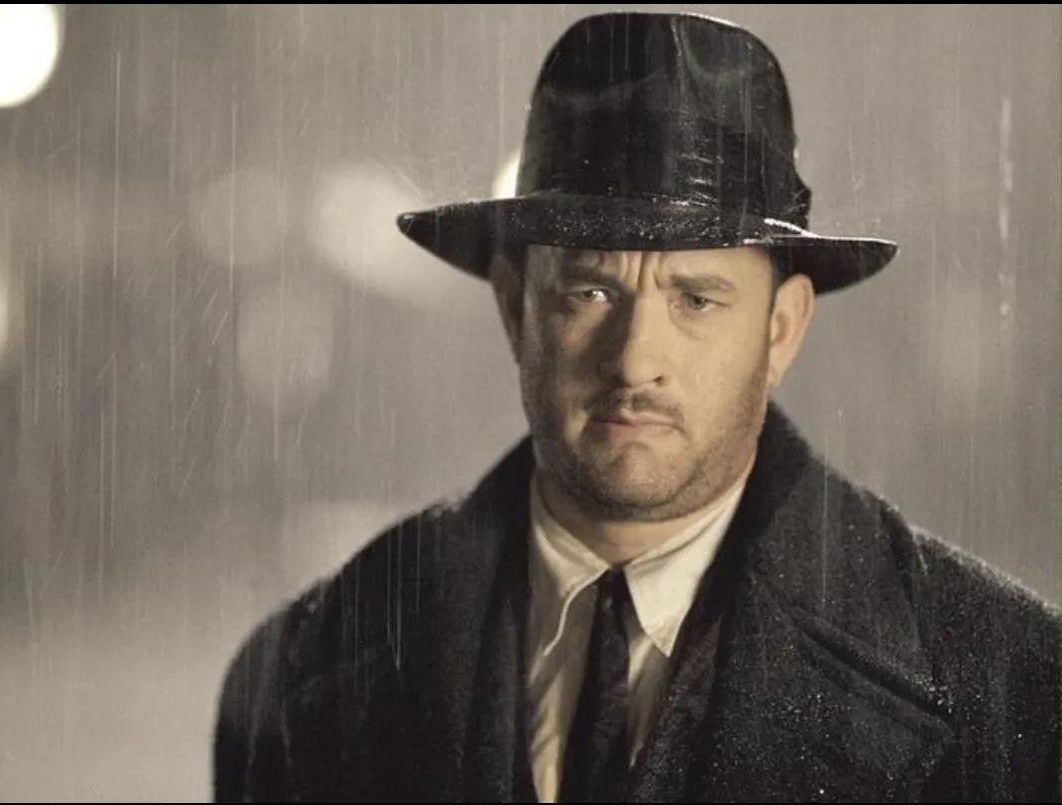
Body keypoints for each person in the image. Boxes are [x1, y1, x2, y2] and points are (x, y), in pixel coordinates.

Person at [213, 12, 1061, 802]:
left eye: (696, 299)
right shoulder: (301, 674)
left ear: (780, 329)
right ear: (513, 307)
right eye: (589, 290)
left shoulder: (1015, 690)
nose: (634, 360)